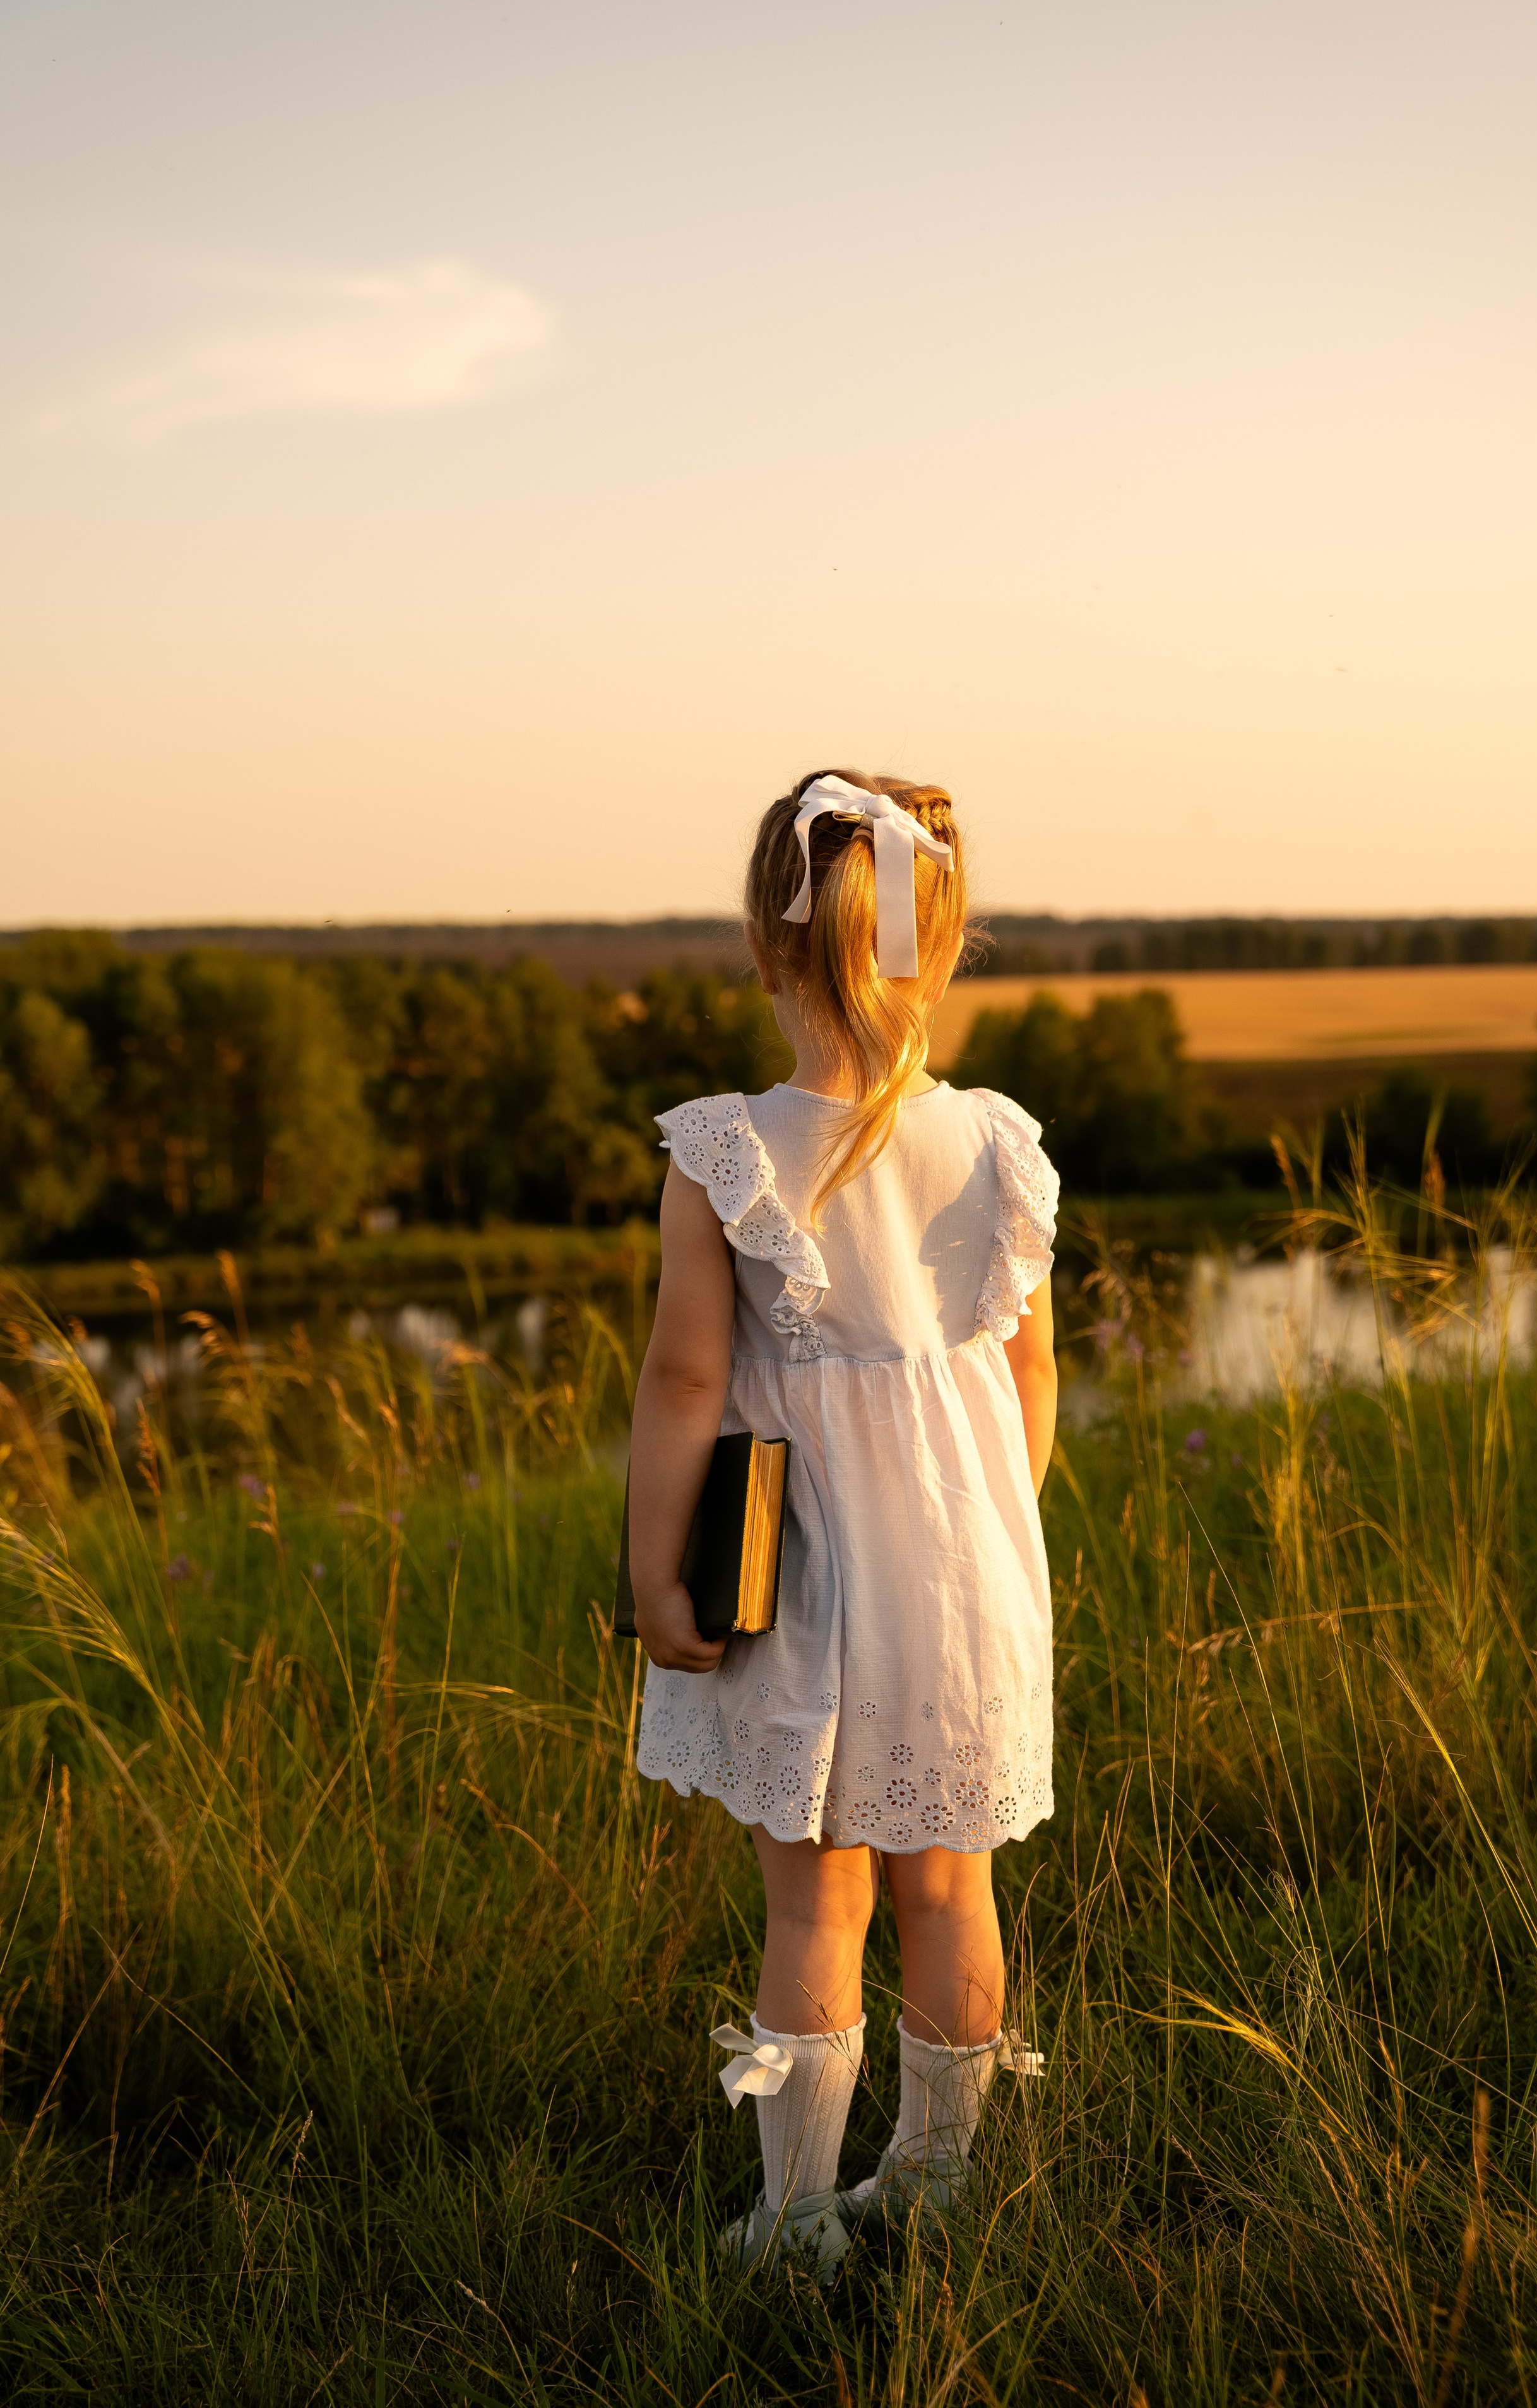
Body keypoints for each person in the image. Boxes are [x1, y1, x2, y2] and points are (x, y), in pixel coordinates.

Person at [627, 768, 1059, 2274]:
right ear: (937, 950)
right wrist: (992, 1537)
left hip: (799, 1575)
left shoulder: (725, 1150)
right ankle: (935, 2187)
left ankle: (796, 2217)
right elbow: (1026, 1377)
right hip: (966, 1581)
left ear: (763, 943)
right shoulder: (1001, 1144)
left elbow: (685, 1378)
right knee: (950, 1885)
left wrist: (650, 1567)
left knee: (813, 1900)